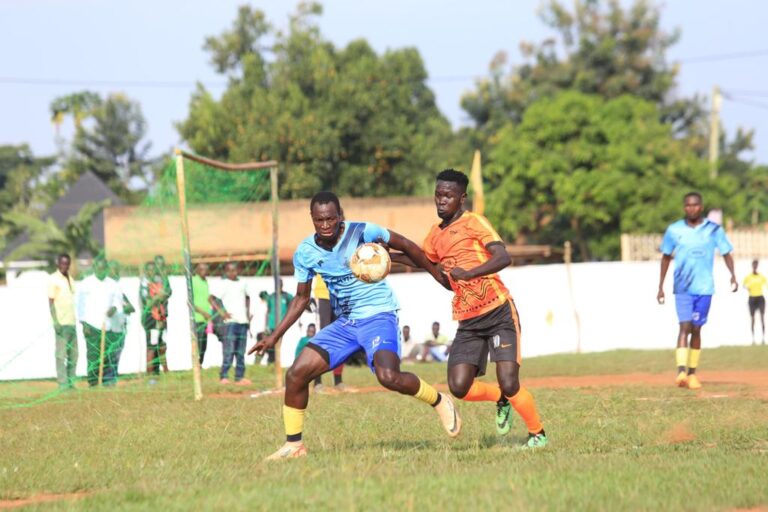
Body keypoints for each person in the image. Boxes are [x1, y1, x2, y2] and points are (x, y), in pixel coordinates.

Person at [248, 191, 461, 460]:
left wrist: (435, 273)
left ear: (339, 217)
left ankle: (439, 400)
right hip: (346, 324)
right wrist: (274, 336)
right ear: (312, 219)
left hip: (379, 315)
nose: (325, 225)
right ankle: (294, 445)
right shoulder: (305, 252)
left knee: (389, 377)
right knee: (296, 375)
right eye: (319, 220)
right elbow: (302, 298)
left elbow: (405, 244)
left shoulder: (362, 231)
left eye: (330, 219)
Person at [393, 169, 547, 448]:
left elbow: (503, 256)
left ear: (461, 199)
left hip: (499, 312)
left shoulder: (474, 222)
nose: (441, 201)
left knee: (510, 381)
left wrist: (470, 273)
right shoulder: (435, 235)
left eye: (448, 196)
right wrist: (383, 257)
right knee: (459, 386)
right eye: (438, 195)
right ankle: (500, 398)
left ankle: (538, 434)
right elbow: (421, 259)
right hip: (468, 320)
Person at [658, 192, 738, 390]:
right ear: (684, 207)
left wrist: (733, 275)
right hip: (682, 287)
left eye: (694, 205)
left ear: (700, 207)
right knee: (684, 326)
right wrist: (660, 286)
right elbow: (666, 257)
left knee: (697, 329)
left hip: (704, 288)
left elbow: (726, 252)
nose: (691, 208)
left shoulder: (713, 230)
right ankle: (681, 373)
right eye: (687, 205)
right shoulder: (674, 230)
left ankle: (692, 374)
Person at [76, 257, 122, 387]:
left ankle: (107, 381)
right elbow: (80, 305)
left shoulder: (113, 284)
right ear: (95, 268)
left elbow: (118, 302)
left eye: (104, 269)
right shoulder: (86, 283)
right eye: (99, 268)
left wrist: (114, 308)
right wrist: (84, 323)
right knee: (93, 355)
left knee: (108, 354)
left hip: (108, 326)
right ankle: (93, 382)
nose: (101, 271)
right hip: (91, 325)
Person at [211, 262, 252, 385]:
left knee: (241, 351)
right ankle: (224, 376)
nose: (232, 273)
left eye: (234, 270)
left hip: (242, 321)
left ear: (238, 270)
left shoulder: (243, 283)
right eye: (229, 271)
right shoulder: (223, 284)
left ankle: (239, 377)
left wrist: (248, 314)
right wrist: (222, 313)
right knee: (229, 350)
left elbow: (247, 298)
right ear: (225, 271)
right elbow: (212, 299)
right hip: (230, 322)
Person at [48, 253, 77, 390]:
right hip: (61, 323)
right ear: (58, 263)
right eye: (63, 263)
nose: (65, 266)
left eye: (67, 263)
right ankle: (63, 384)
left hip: (72, 323)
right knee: (61, 355)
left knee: (74, 355)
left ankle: (71, 382)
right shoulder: (53, 279)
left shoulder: (70, 279)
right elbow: (51, 302)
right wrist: (55, 322)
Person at [105, 260, 135, 385]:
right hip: (110, 328)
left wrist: (124, 308)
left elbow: (131, 308)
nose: (115, 273)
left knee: (116, 355)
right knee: (109, 355)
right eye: (113, 270)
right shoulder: (105, 288)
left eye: (117, 270)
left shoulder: (119, 290)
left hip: (121, 328)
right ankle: (108, 379)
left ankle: (113, 378)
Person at [140, 261, 169, 380]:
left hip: (161, 317)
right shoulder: (144, 284)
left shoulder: (159, 281)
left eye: (153, 269)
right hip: (151, 319)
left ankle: (166, 372)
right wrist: (158, 296)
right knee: (151, 346)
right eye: (149, 269)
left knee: (162, 345)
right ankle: (150, 374)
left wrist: (161, 295)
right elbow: (148, 302)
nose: (151, 272)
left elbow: (166, 294)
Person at [191, 262, 213, 364]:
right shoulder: (194, 281)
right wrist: (203, 313)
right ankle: (196, 364)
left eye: (206, 270)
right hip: (197, 318)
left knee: (204, 344)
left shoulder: (205, 282)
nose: (205, 272)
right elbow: (190, 302)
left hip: (206, 319)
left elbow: (207, 298)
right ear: (198, 270)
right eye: (202, 270)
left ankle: (200, 364)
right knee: (198, 343)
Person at [743, 259, 766, 345]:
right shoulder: (748, 277)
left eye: (756, 265)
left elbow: (765, 284)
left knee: (762, 318)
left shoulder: (761, 276)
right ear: (752, 266)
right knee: (753, 319)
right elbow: (744, 285)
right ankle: (753, 339)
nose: (755, 267)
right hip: (752, 298)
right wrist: (747, 288)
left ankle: (763, 338)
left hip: (760, 298)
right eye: (754, 265)